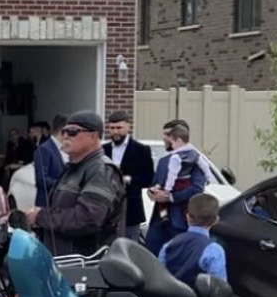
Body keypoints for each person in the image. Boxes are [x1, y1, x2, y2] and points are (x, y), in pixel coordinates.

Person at [25, 109, 125, 258]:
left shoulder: (101, 170)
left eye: (72, 132)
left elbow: (87, 219)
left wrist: (41, 217)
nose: (65, 136)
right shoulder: (74, 168)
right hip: (64, 261)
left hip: (86, 264)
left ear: (93, 136)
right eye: (64, 131)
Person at [144, 119, 214, 253]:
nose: (164, 138)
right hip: (158, 222)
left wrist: (170, 197)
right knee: (151, 257)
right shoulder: (163, 161)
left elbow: (197, 188)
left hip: (181, 221)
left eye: (167, 135)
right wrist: (152, 193)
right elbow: (155, 183)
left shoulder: (193, 160)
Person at [160, 192, 229, 297]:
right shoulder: (215, 250)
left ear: (188, 217)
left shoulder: (169, 245)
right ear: (216, 220)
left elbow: (160, 276)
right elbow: (218, 288)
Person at [103, 110, 154, 243]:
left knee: (129, 247)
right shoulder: (103, 150)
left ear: (128, 127)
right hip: (106, 210)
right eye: (112, 128)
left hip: (131, 209)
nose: (115, 132)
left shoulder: (141, 150)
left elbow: (149, 178)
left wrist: (129, 179)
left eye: (119, 128)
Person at [32, 117, 65, 207]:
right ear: (62, 131)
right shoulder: (44, 149)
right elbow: (41, 179)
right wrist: (64, 185)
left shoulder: (65, 149)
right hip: (48, 204)